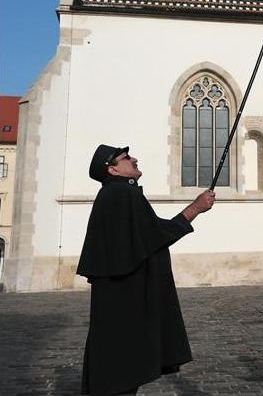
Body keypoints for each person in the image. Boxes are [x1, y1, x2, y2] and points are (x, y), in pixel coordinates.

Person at [77, 144, 216, 396]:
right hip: (127, 300)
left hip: (119, 297)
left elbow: (145, 236)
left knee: (116, 363)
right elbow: (155, 234)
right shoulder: (122, 194)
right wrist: (195, 208)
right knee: (122, 368)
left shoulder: (114, 194)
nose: (134, 159)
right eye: (126, 157)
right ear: (113, 169)